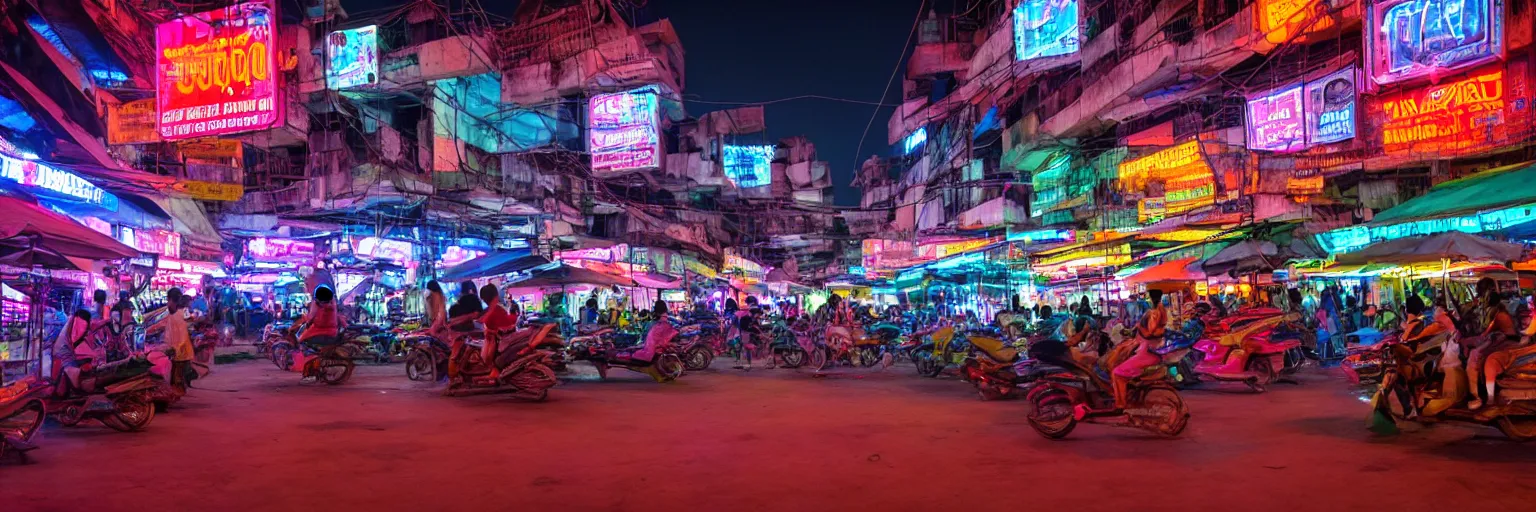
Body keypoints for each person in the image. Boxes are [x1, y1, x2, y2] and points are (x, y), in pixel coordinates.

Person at [1111, 289, 1167, 410]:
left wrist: (1139, 327)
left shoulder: (1155, 313)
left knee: (1117, 372)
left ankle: (1121, 404)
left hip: (1148, 351)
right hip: (1149, 348)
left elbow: (1150, 333)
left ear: (1151, 298)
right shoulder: (1160, 310)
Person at [1468, 291, 1520, 409]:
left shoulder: (1497, 314)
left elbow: (1486, 330)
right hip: (1506, 339)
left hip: (1506, 341)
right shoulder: (1500, 312)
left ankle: (1489, 398)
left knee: (1483, 358)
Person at [147, 288, 196, 394]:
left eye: (168, 301)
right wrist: (147, 330)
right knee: (175, 375)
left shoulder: (180, 313)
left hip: (181, 352)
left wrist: (175, 348)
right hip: (177, 351)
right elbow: (162, 324)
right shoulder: (174, 313)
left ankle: (174, 394)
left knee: (177, 376)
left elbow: (183, 334)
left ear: (171, 300)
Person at [52, 309, 96, 393]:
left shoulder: (72, 322)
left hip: (63, 356)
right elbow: (75, 339)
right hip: (63, 362)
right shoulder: (80, 323)